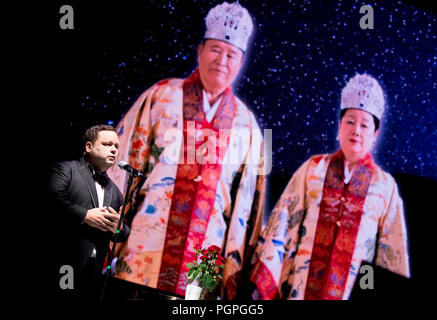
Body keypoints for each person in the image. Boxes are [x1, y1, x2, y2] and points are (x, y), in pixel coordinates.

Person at [106, 2, 267, 299]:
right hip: (144, 250)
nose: (222, 59)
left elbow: (248, 208)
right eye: (215, 49)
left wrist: (234, 275)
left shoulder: (248, 127)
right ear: (200, 51)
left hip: (205, 262)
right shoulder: (161, 96)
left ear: (241, 62)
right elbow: (123, 165)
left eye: (231, 54)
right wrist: (108, 235)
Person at [249, 74, 410, 300]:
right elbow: (282, 223)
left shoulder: (386, 187)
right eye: (350, 121)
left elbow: (387, 256)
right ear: (339, 125)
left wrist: (368, 291)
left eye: (365, 125)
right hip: (301, 288)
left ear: (374, 135)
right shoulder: (312, 169)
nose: (356, 130)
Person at [48, 124, 130, 299]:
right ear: (88, 147)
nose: (113, 150)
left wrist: (119, 227)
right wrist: (85, 215)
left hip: (94, 267)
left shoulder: (115, 191)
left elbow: (122, 233)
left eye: (116, 146)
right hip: (66, 259)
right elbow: (53, 201)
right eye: (107, 144)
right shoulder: (66, 169)